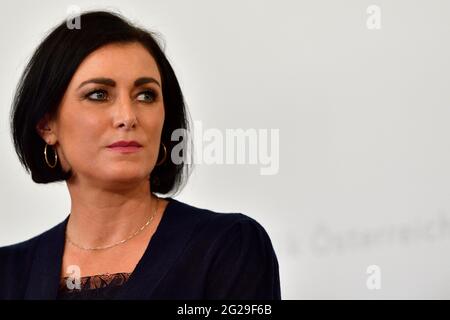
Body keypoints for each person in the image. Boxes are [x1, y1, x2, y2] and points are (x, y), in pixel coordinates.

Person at [0, 10, 281, 300]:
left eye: (146, 95)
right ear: (47, 125)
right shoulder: (8, 274)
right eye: (98, 94)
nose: (128, 116)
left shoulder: (228, 246)